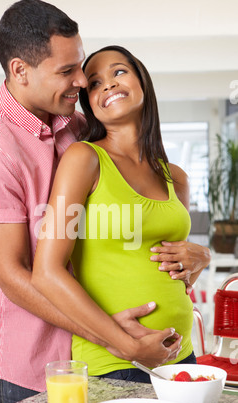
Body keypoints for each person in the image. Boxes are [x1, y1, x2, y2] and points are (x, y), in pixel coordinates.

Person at [0, 1, 185, 403]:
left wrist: (189, 253)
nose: (81, 80)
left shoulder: (78, 127)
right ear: (20, 70)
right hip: (27, 368)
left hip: (98, 356)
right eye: (66, 72)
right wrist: (120, 341)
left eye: (79, 66)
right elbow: (15, 277)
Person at [31, 45, 211, 383]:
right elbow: (46, 272)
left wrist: (201, 257)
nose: (108, 85)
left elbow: (172, 268)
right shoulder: (83, 160)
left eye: (118, 72)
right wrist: (127, 345)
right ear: (90, 105)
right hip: (116, 363)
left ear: (141, 80)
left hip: (181, 355)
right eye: (95, 83)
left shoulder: (176, 177)